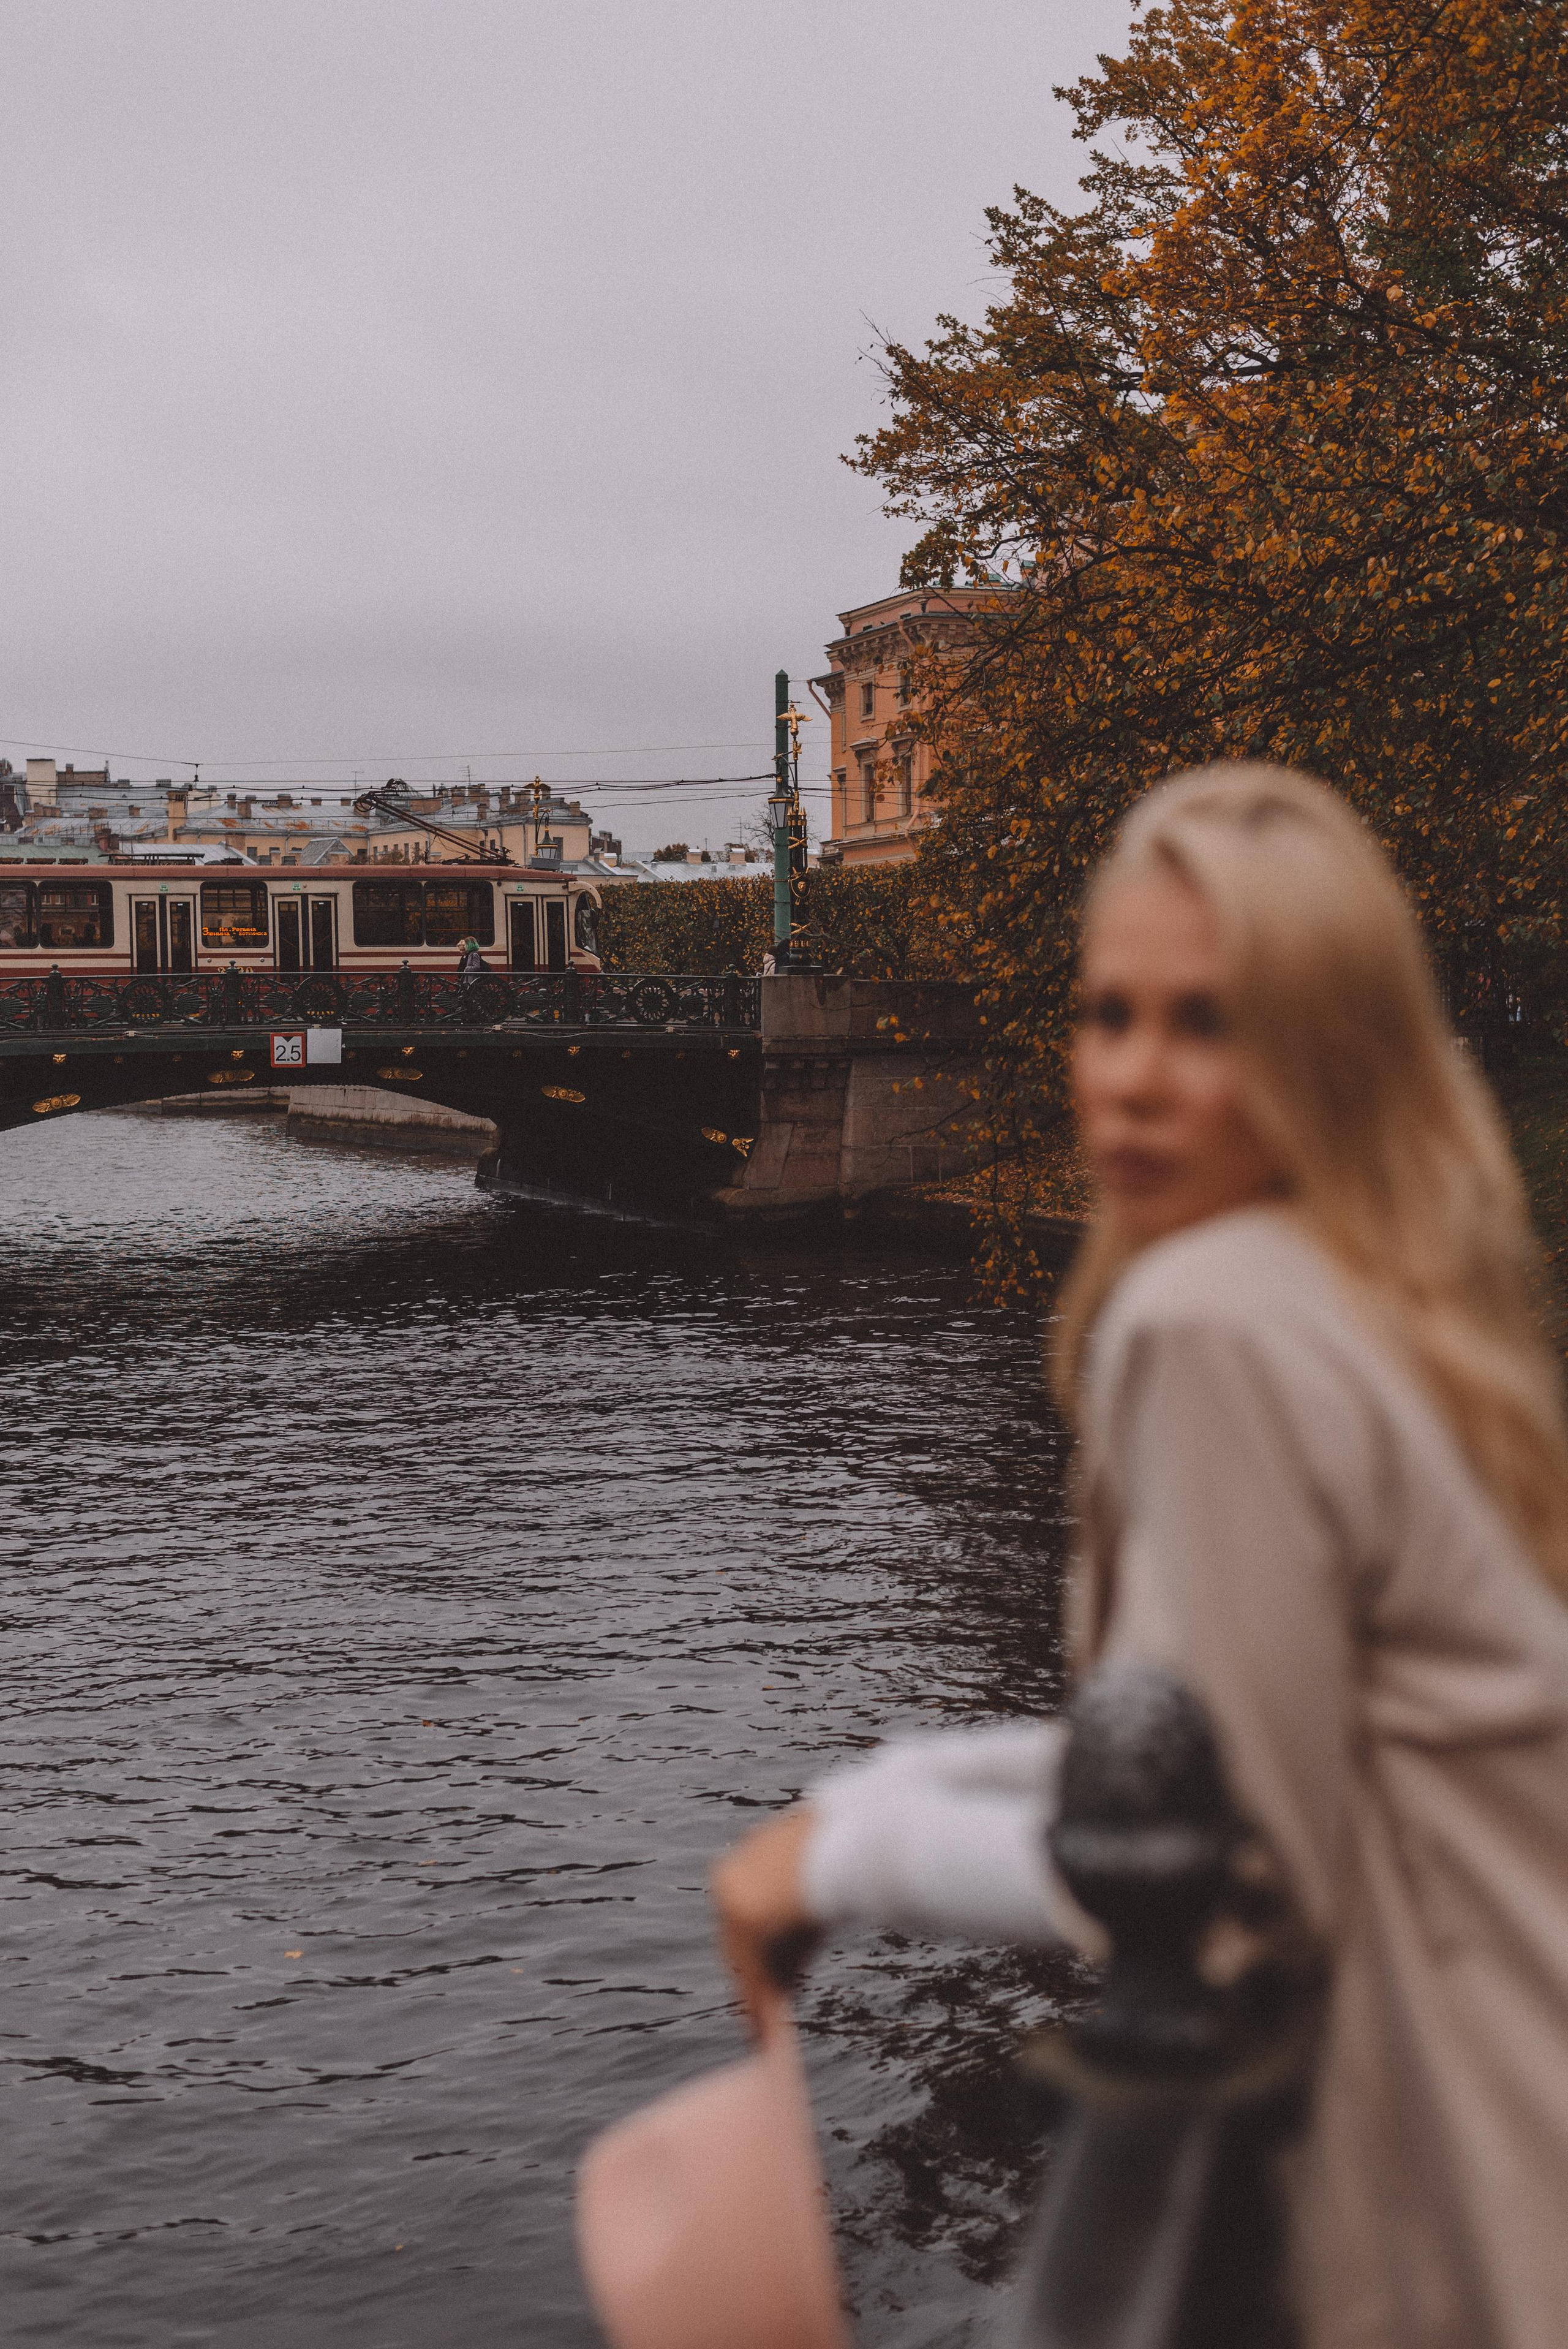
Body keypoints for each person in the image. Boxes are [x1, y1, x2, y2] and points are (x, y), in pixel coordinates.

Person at [710, 763, 1568, 2349]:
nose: (1138, 1077)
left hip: (1435, 2172)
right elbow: (1212, 1754)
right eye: (1110, 1016)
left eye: (1212, 1022)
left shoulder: (1213, 1318)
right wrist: (882, 1794)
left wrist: (843, 1863)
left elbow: (1221, 1865)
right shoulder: (1385, 1296)